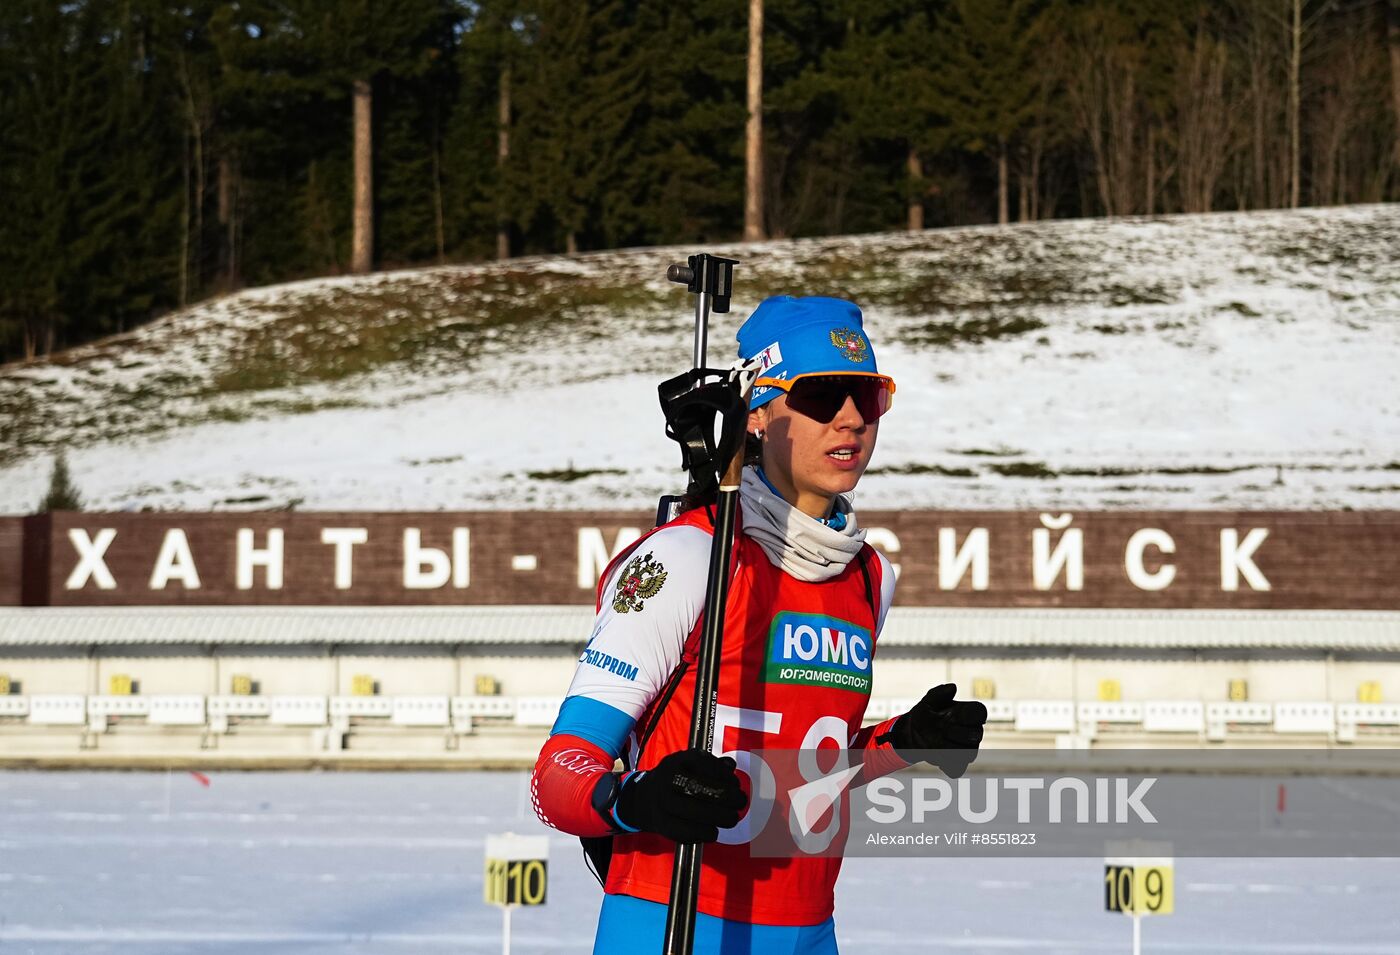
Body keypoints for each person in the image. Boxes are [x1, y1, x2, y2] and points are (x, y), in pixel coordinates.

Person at [530, 295, 988, 954]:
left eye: (869, 394)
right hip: (675, 923)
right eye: (822, 395)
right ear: (758, 415)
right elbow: (556, 776)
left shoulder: (867, 576)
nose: (853, 417)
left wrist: (903, 740)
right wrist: (636, 798)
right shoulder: (688, 557)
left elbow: (807, 772)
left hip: (808, 930)